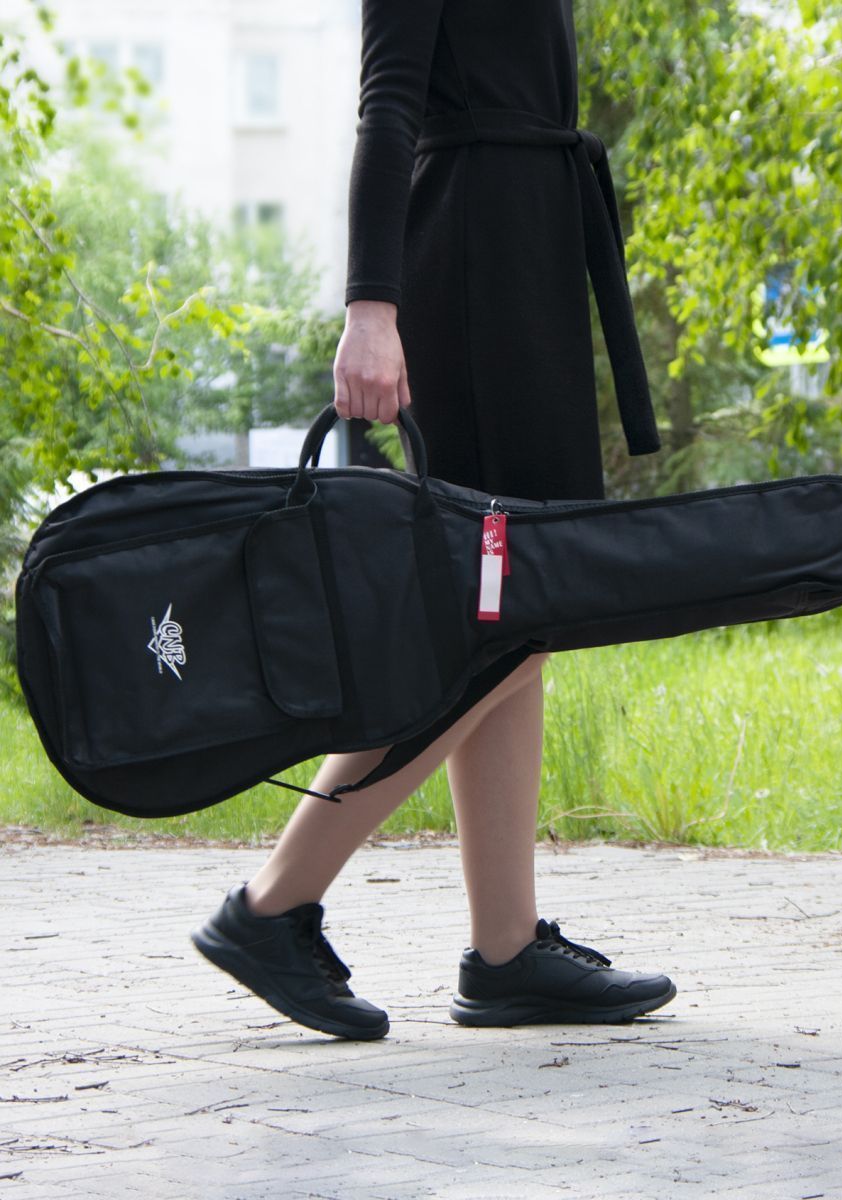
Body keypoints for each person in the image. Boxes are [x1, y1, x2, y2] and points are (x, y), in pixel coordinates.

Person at [191, 0, 676, 1040]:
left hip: (525, 252)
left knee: (511, 619)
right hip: (474, 266)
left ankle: (504, 950)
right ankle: (273, 904)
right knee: (499, 612)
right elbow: (388, 102)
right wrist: (370, 308)